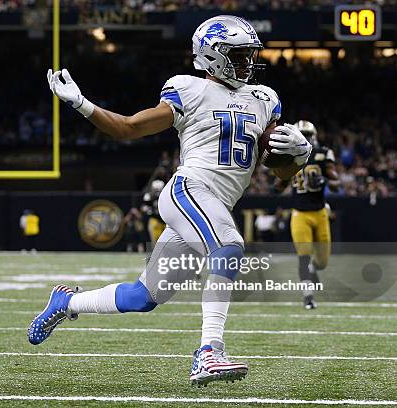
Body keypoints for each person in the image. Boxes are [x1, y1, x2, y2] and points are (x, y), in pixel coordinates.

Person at [29, 15, 312, 386]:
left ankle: (66, 303)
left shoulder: (265, 99)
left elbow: (279, 173)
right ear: (213, 56)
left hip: (214, 206)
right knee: (229, 247)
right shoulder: (189, 89)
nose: (248, 62)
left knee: (144, 296)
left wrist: (299, 156)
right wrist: (82, 104)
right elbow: (130, 128)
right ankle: (209, 352)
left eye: (249, 54)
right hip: (189, 191)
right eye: (239, 55)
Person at [276, 120, 340, 309]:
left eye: (308, 135)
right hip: (300, 215)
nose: (306, 139)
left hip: (320, 213)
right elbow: (277, 188)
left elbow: (336, 184)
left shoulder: (322, 154)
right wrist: (281, 171)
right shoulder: (290, 157)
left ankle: (314, 269)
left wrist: (325, 181)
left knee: (322, 262)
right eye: (302, 135)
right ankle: (308, 297)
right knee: (303, 256)